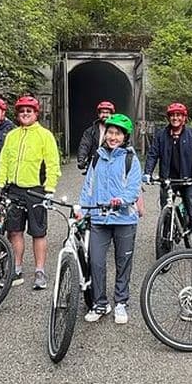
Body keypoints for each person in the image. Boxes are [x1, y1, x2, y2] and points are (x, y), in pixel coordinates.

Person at [79, 114, 142, 324]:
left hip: (124, 219)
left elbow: (134, 188)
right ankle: (100, 303)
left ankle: (121, 303)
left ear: (125, 137)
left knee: (123, 262)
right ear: (105, 134)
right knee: (96, 261)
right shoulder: (97, 157)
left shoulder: (130, 159)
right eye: (110, 132)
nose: (113, 137)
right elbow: (89, 185)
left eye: (118, 133)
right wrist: (82, 208)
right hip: (99, 218)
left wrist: (121, 200)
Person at [0, 95, 61, 289]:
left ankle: (40, 271)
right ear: (17, 115)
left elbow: (52, 164)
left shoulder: (44, 135)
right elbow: (4, 162)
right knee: (15, 231)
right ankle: (16, 269)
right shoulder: (12, 135)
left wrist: (49, 188)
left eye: (28, 111)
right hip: (14, 189)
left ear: (35, 114)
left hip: (36, 190)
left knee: (38, 232)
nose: (25, 114)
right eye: (22, 111)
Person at [142, 102, 192, 250]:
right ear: (168, 118)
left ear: (184, 118)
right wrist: (147, 172)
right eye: (172, 115)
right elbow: (152, 154)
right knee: (166, 211)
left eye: (178, 115)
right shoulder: (161, 135)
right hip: (167, 180)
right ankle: (164, 244)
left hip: (187, 180)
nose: (175, 118)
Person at [77, 101, 115, 172]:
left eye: (107, 113)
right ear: (99, 114)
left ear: (112, 115)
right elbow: (85, 145)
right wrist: (81, 159)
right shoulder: (91, 131)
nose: (105, 115)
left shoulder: (117, 132)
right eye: (103, 112)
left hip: (112, 164)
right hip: (94, 164)